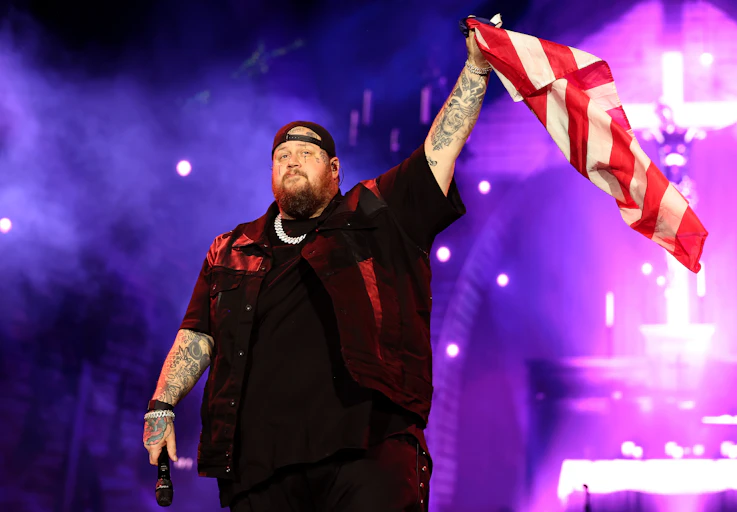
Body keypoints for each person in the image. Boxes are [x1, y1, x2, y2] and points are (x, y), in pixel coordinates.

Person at [143, 27, 491, 512]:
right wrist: (161, 405)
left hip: (366, 449)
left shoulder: (376, 214)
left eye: (306, 153)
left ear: (334, 169)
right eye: (282, 156)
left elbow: (439, 151)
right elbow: (199, 334)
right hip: (259, 466)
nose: (292, 161)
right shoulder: (231, 248)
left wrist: (477, 67)